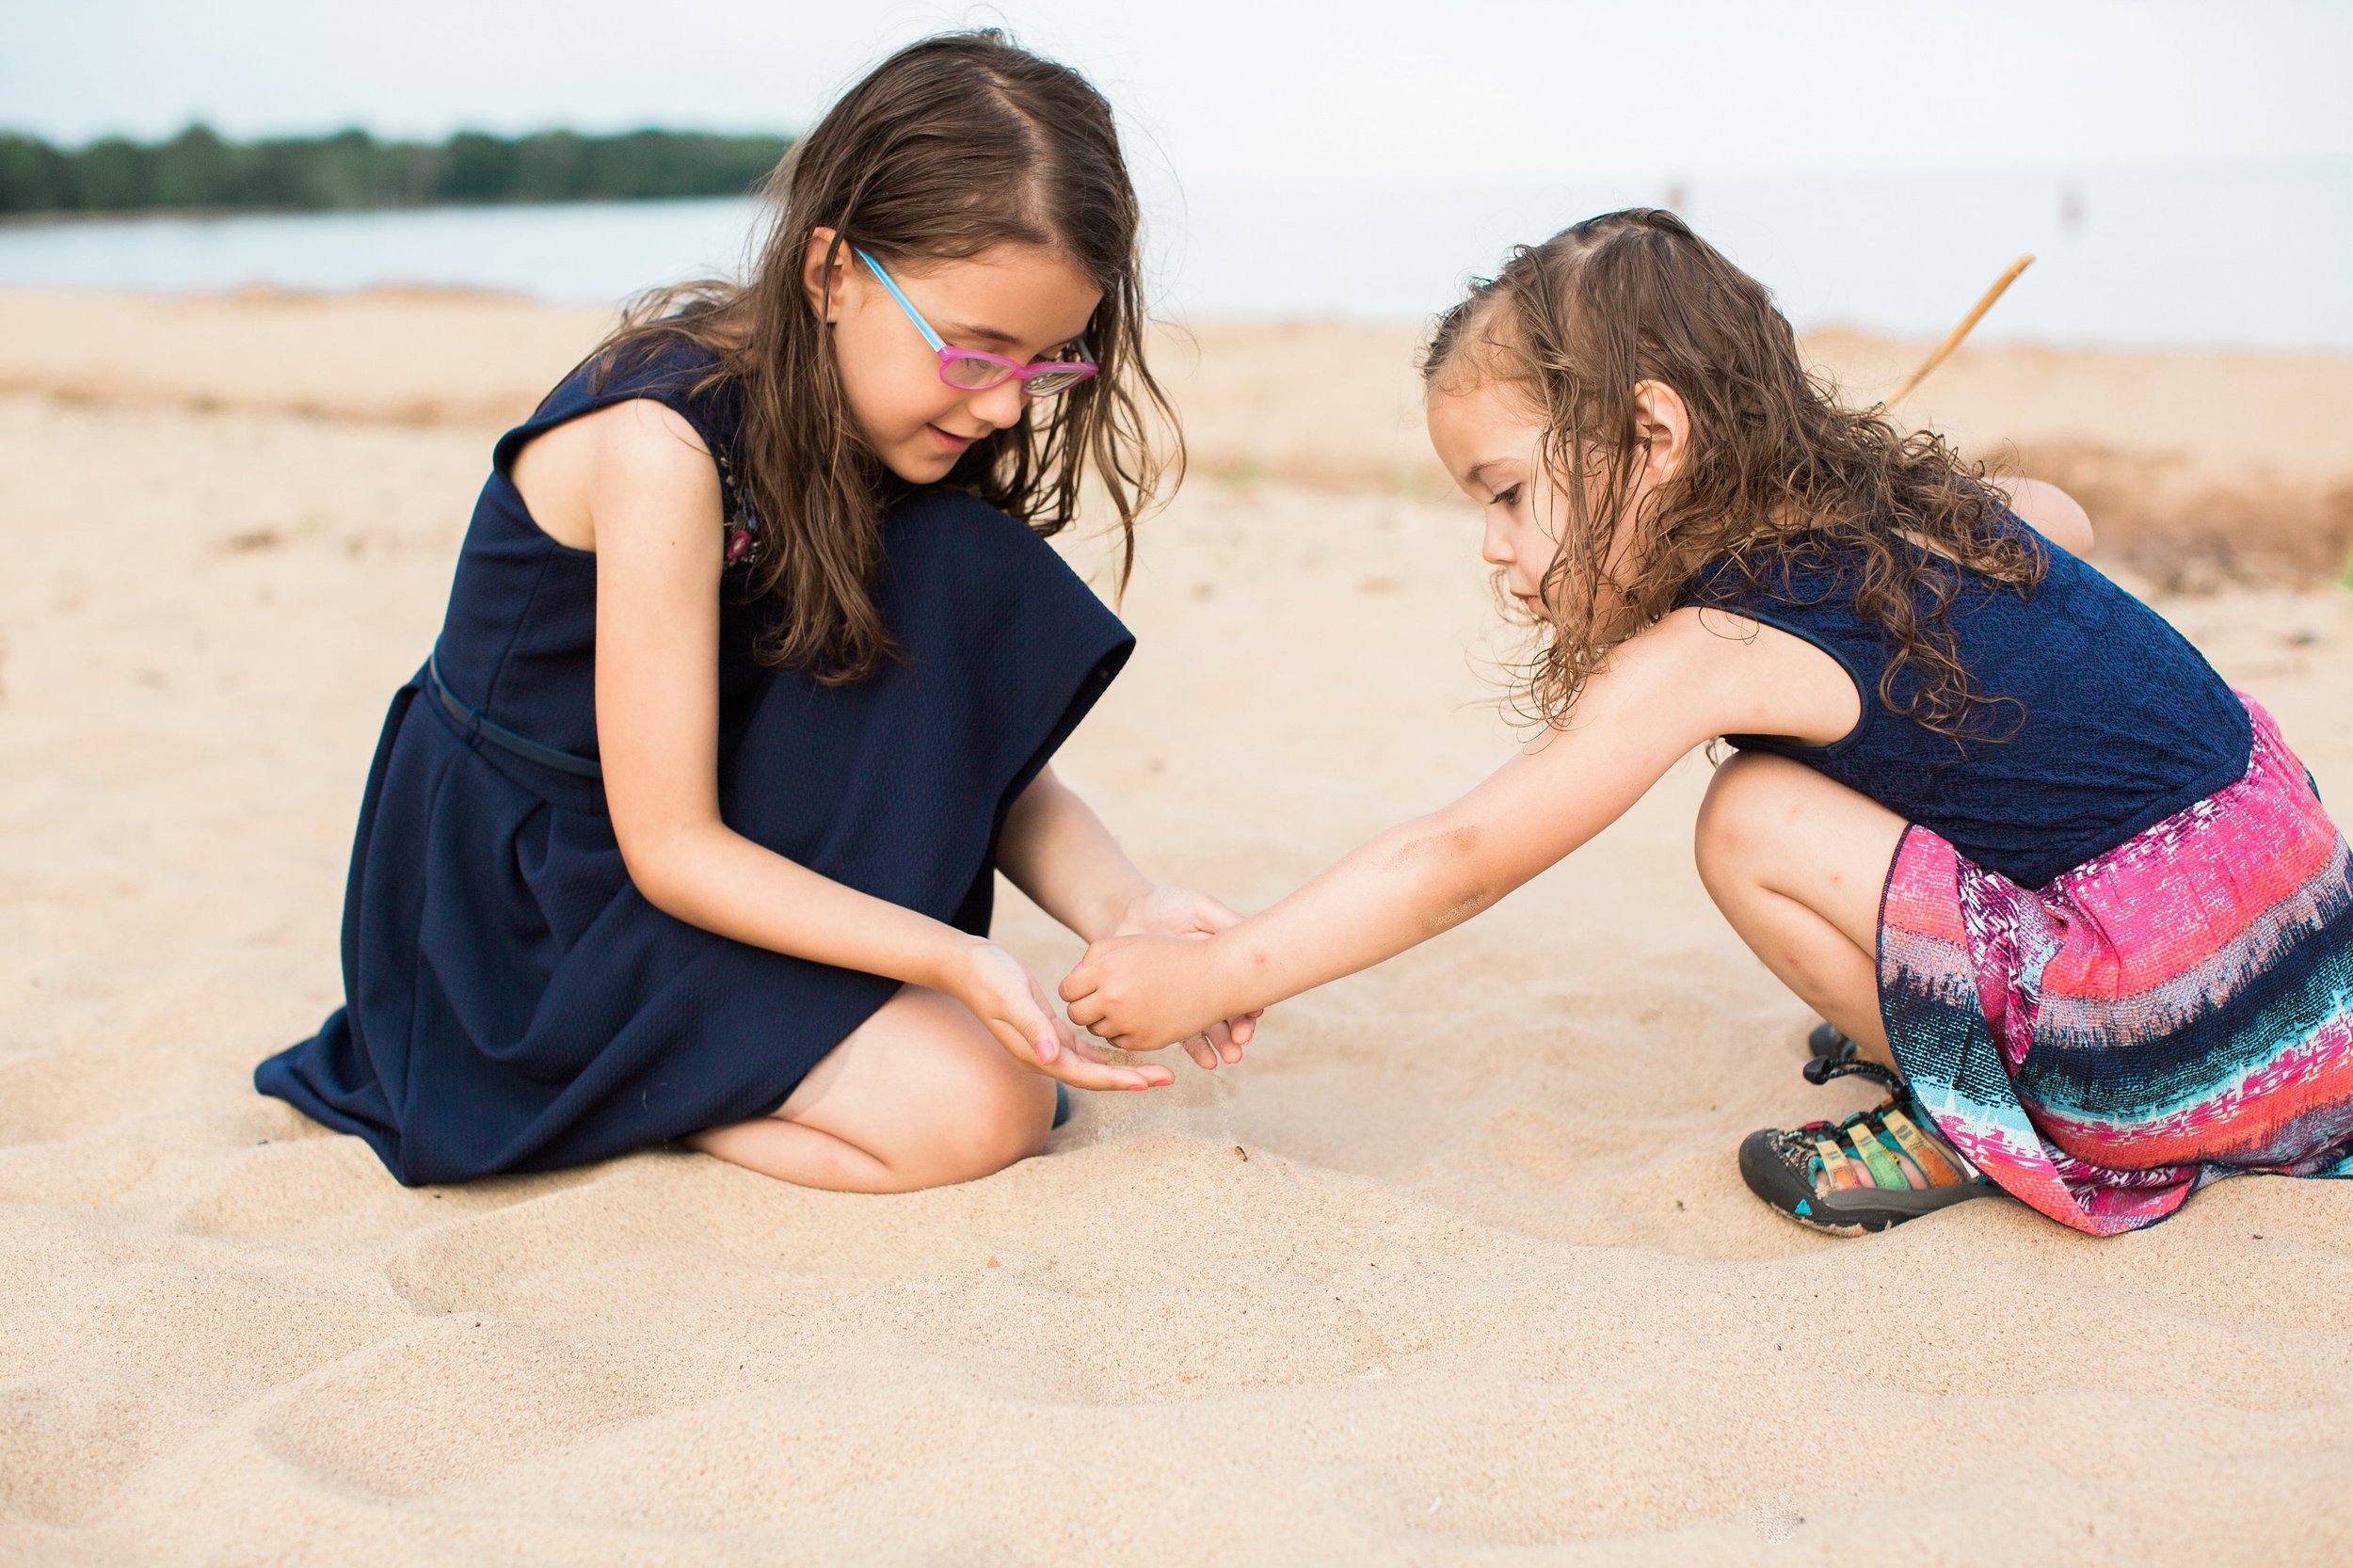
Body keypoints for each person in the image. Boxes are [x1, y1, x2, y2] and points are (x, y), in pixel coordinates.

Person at [1061, 209, 2353, 1236]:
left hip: (2175, 1038)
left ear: (1655, 433)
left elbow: (1463, 856)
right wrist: (1918, 506)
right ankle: (1989, 1008)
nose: (1500, 549)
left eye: (1508, 493)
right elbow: (2056, 514)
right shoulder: (1919, 524)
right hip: (2305, 974)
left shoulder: (1723, 641)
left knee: (1752, 816)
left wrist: (1227, 971)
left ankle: (1964, 1112)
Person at [258, 31, 1254, 1194]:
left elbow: (952, 744)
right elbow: (668, 846)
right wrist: (954, 954)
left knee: (955, 566)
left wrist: (1125, 905)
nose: (1003, 408)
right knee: (989, 1102)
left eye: (1044, 365)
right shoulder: (659, 449)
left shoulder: (886, 418)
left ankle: (711, 1063)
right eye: (976, 353)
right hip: (537, 898)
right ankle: (636, 1102)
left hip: (726, 811)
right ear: (831, 272)